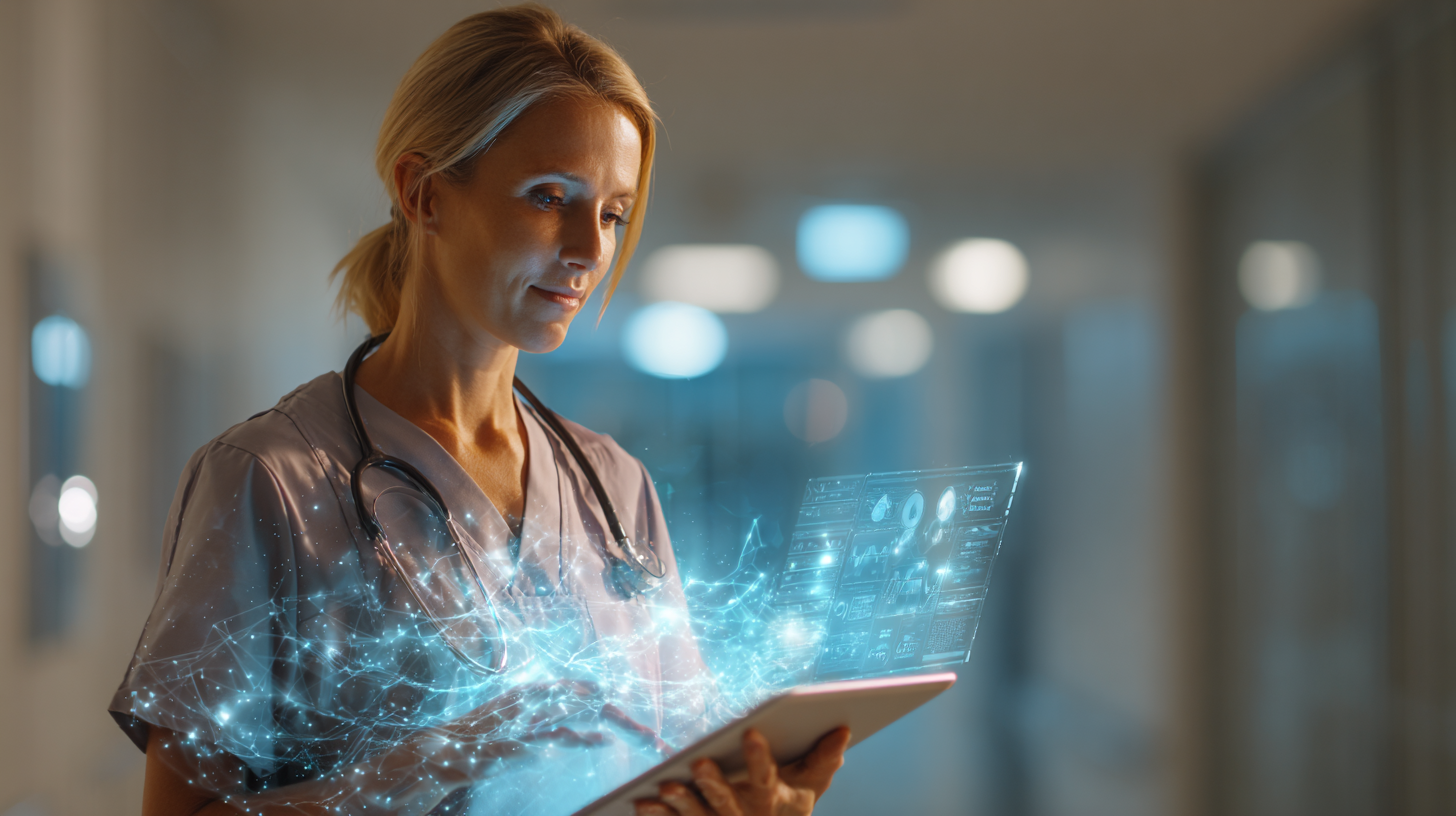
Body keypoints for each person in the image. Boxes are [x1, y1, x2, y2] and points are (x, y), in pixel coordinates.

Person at [109, 6, 850, 816]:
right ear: (424, 193)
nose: (589, 249)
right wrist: (427, 766)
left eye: (612, 213)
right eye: (550, 197)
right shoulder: (271, 482)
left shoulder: (615, 488)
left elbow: (673, 774)